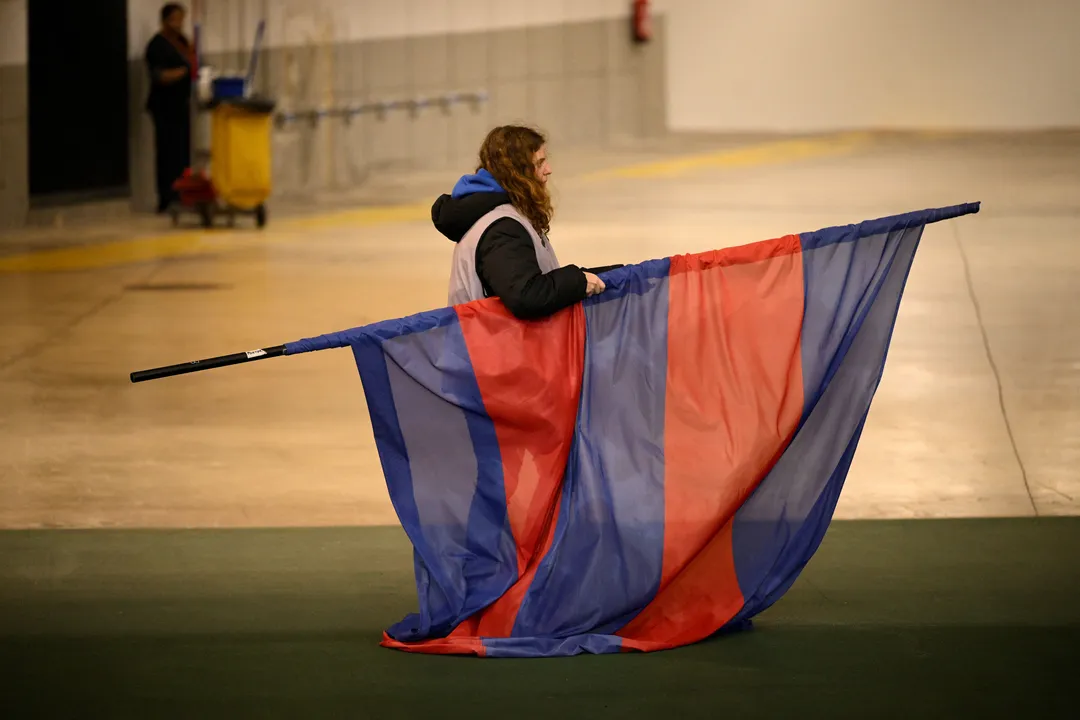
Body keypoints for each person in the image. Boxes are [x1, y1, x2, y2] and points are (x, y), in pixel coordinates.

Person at [433, 125, 622, 319]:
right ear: (517, 173)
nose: (548, 170)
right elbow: (526, 296)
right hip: (489, 347)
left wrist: (613, 275)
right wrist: (577, 282)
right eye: (539, 163)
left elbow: (534, 281)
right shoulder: (501, 227)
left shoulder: (509, 216)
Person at [144, 3, 194, 213]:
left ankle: (184, 193)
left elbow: (192, 61)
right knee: (166, 152)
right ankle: (165, 197)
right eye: (175, 20)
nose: (179, 24)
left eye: (181, 19)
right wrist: (182, 72)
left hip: (181, 105)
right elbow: (159, 76)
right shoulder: (156, 46)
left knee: (182, 152)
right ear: (165, 21)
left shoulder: (182, 41)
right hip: (164, 107)